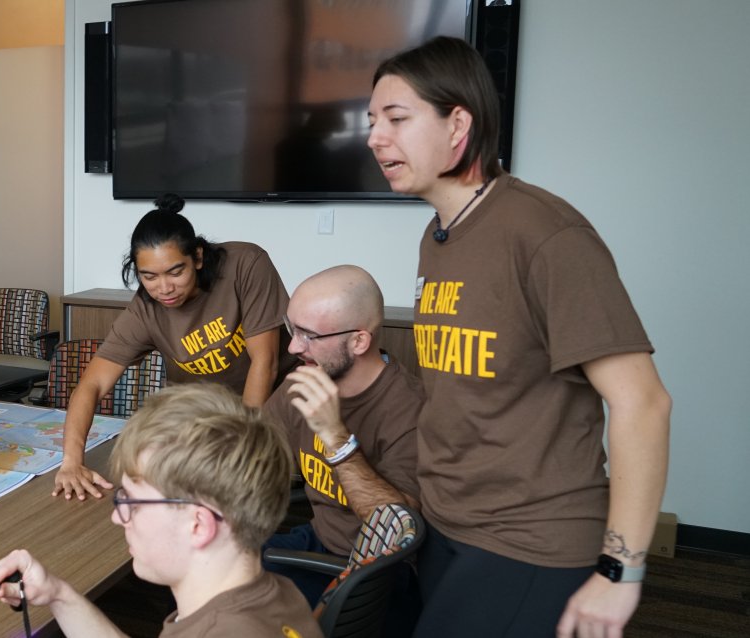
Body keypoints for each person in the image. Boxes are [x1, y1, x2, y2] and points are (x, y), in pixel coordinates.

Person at [367, 36, 671, 637]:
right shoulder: (439, 234)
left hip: (530, 537)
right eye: (372, 121)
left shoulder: (545, 233)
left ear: (459, 124)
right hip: (449, 522)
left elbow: (643, 402)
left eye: (396, 119)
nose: (375, 137)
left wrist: (620, 571)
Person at [0, 383, 321, 638]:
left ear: (198, 524)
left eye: (131, 501)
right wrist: (59, 595)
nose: (118, 517)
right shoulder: (271, 595)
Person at [53, 194, 289, 501]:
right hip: (205, 414)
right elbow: (92, 384)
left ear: (199, 257)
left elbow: (265, 363)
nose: (164, 288)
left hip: (272, 399)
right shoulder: (145, 310)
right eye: (149, 277)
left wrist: (240, 449)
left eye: (176, 272)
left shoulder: (245, 264)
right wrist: (71, 462)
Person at [262, 265, 423, 633]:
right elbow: (246, 448)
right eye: (291, 329)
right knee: (209, 562)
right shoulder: (305, 380)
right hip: (319, 543)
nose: (292, 347)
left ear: (359, 342)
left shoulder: (410, 409)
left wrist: (336, 436)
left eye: (308, 335)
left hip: (382, 574)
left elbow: (399, 527)